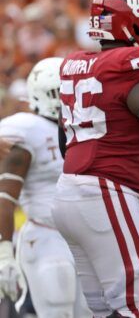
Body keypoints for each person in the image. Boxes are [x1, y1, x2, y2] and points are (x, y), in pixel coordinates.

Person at [52, 0, 139, 317]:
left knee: (104, 308)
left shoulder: (75, 62)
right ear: (134, 24)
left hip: (70, 191)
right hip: (105, 190)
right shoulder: (131, 62)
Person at [0, 57, 91, 316]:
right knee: (56, 307)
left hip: (85, 237)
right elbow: (5, 196)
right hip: (46, 235)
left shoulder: (85, 127)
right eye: (57, 91)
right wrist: (4, 251)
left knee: (91, 311)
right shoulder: (26, 129)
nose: (64, 98)